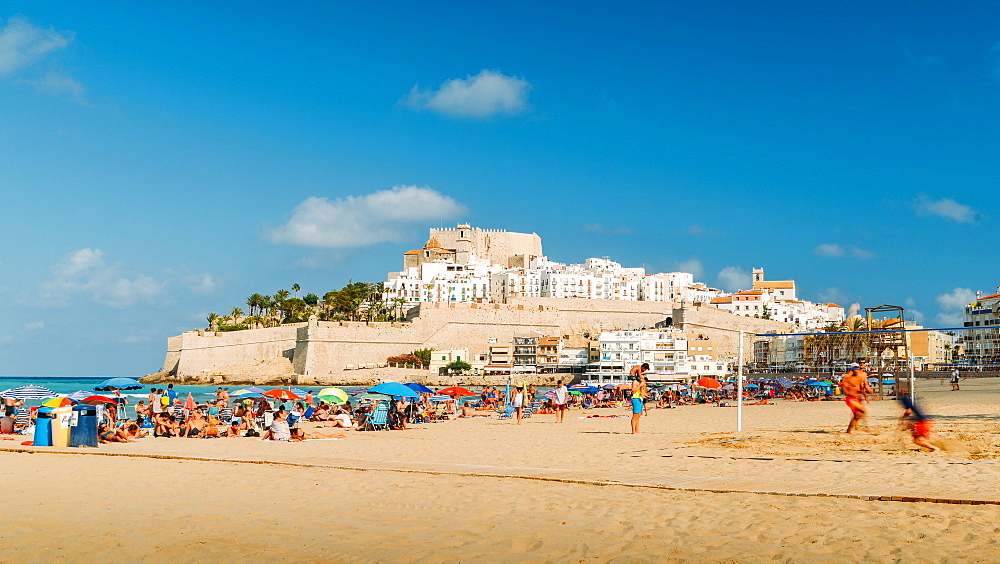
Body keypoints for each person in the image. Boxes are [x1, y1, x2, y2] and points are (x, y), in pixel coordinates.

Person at [841, 359, 873, 434]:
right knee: (863, 410)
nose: (856, 370)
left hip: (857, 397)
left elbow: (863, 387)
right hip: (850, 398)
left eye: (857, 368)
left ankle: (848, 431)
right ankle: (866, 427)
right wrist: (850, 393)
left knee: (857, 415)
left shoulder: (862, 375)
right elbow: (844, 388)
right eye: (854, 368)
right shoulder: (848, 377)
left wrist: (869, 395)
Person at [629, 364, 649, 434]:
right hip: (636, 398)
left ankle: (637, 430)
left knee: (638, 415)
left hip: (640, 398)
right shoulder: (635, 381)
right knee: (635, 416)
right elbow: (633, 390)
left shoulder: (639, 381)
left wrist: (644, 392)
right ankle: (633, 431)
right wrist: (641, 383)